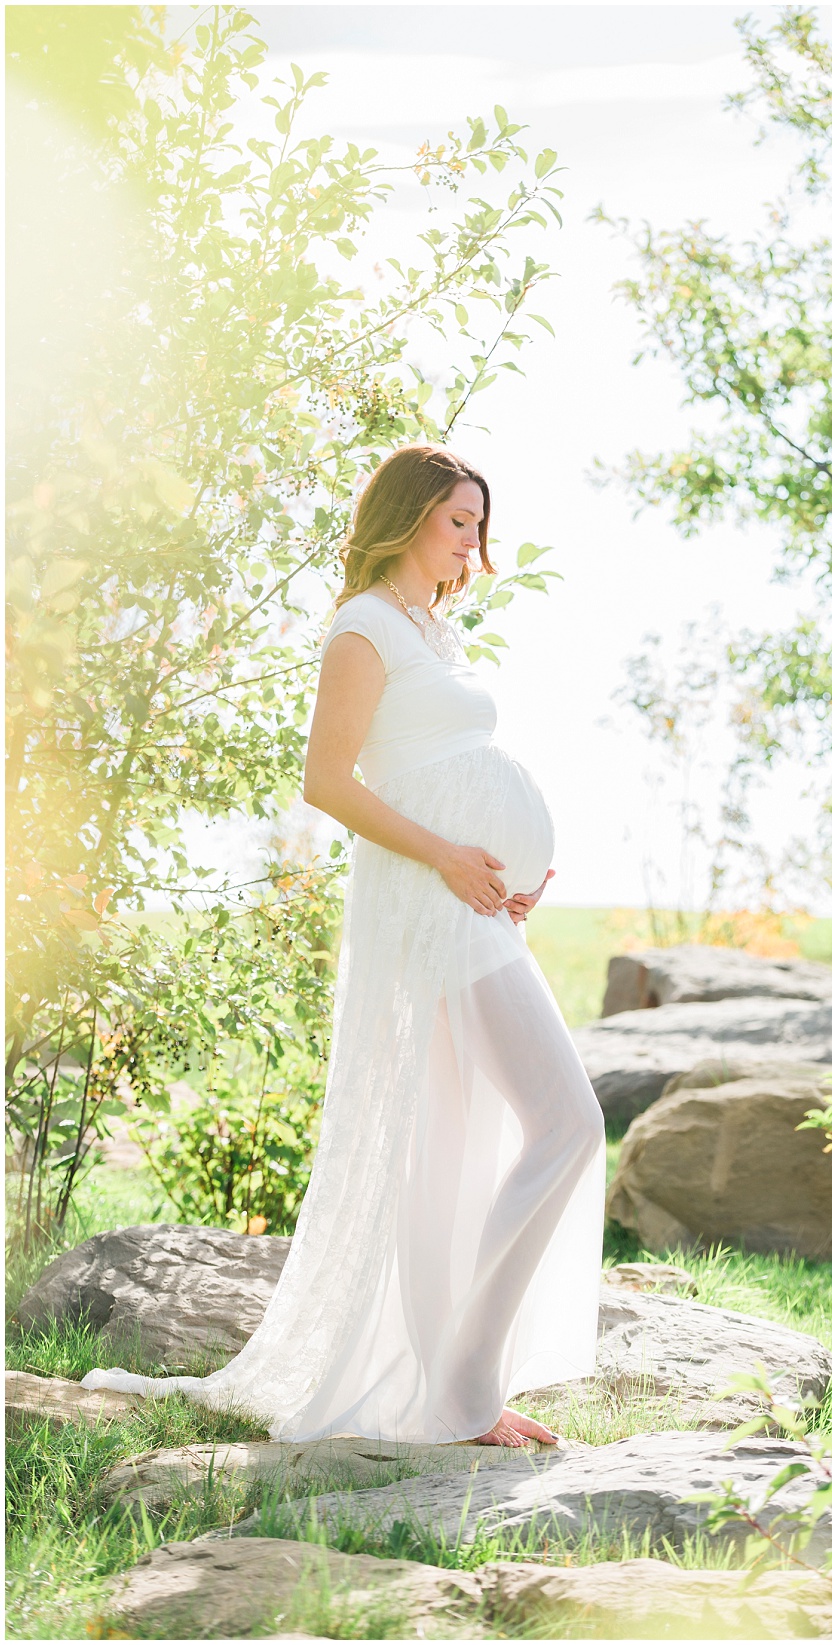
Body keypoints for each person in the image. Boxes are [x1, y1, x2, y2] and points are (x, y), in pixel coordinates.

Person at [82, 445, 607, 1449]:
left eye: (478, 524)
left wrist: (513, 867)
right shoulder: (362, 628)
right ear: (407, 517)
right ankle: (460, 1387)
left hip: (472, 906)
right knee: (566, 1120)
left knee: (496, 1130)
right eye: (458, 519)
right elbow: (329, 781)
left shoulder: (430, 632)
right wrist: (453, 858)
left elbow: (445, 766)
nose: (472, 540)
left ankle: (459, 1379)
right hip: (429, 907)